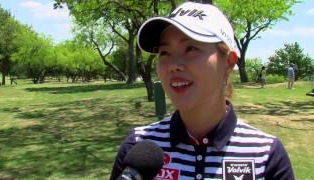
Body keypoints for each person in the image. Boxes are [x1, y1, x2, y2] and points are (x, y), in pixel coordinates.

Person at [110, 2, 294, 180]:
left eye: (191, 48)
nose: (173, 65)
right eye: (165, 53)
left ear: (229, 63)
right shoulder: (137, 146)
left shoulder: (266, 155)